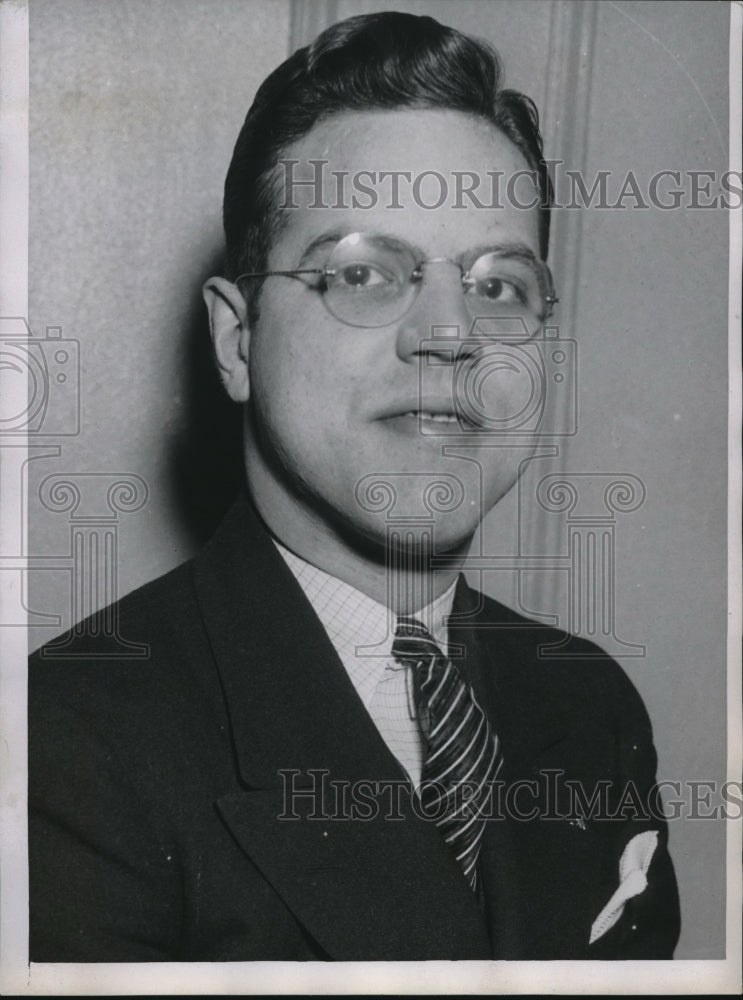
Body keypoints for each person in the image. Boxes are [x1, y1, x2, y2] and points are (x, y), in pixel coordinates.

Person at [28, 11, 680, 961]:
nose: (451, 333)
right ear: (237, 339)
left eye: (499, 285)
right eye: (366, 272)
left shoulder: (590, 705)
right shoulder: (61, 747)